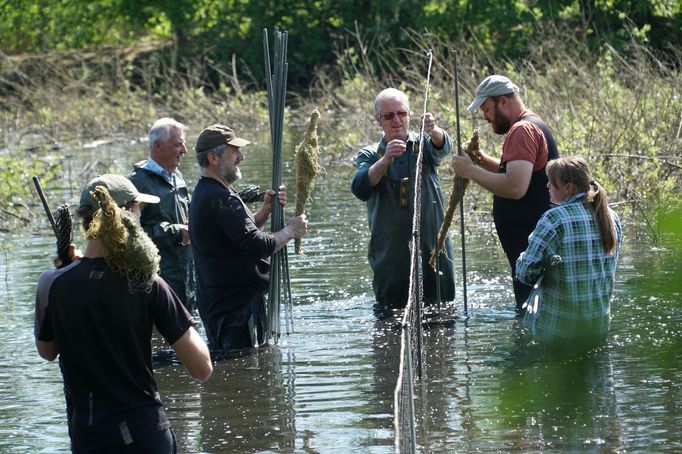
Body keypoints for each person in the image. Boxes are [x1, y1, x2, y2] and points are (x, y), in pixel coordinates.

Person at [34, 174, 213, 453]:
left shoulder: (52, 283)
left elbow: (47, 351)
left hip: (89, 438)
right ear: (126, 214)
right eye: (140, 211)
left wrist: (68, 272)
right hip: (146, 434)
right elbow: (202, 368)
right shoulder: (147, 283)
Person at [189, 124, 308, 350]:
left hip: (224, 306)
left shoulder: (210, 191)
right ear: (213, 158)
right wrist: (291, 230)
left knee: (236, 373)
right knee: (242, 369)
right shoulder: (220, 197)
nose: (241, 158)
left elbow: (239, 237)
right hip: (235, 311)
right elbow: (257, 245)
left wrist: (265, 211)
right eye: (235, 153)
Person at [452, 75, 559, 312]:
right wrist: (479, 160)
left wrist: (470, 170)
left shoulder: (521, 131)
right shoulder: (532, 123)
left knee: (533, 312)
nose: (485, 117)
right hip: (535, 243)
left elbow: (515, 187)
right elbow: (514, 171)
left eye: (487, 109)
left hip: (532, 245)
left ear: (502, 101)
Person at [351, 88, 455, 315]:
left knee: (443, 314)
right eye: (389, 116)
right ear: (378, 120)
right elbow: (360, 188)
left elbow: (444, 147)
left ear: (409, 115)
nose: (397, 120)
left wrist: (434, 130)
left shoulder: (424, 146)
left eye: (402, 113)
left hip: (433, 252)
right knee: (390, 316)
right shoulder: (369, 154)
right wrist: (386, 159)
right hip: (391, 257)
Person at [516, 156, 622, 351]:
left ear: (568, 188)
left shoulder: (554, 218)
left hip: (558, 333)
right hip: (598, 330)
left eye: (552, 181)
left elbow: (525, 273)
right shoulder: (611, 217)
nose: (547, 185)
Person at [129, 118, 195, 311]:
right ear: (157, 146)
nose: (184, 150)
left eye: (183, 143)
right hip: (158, 281)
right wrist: (175, 232)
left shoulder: (178, 177)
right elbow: (131, 235)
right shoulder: (136, 184)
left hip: (187, 280)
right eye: (178, 144)